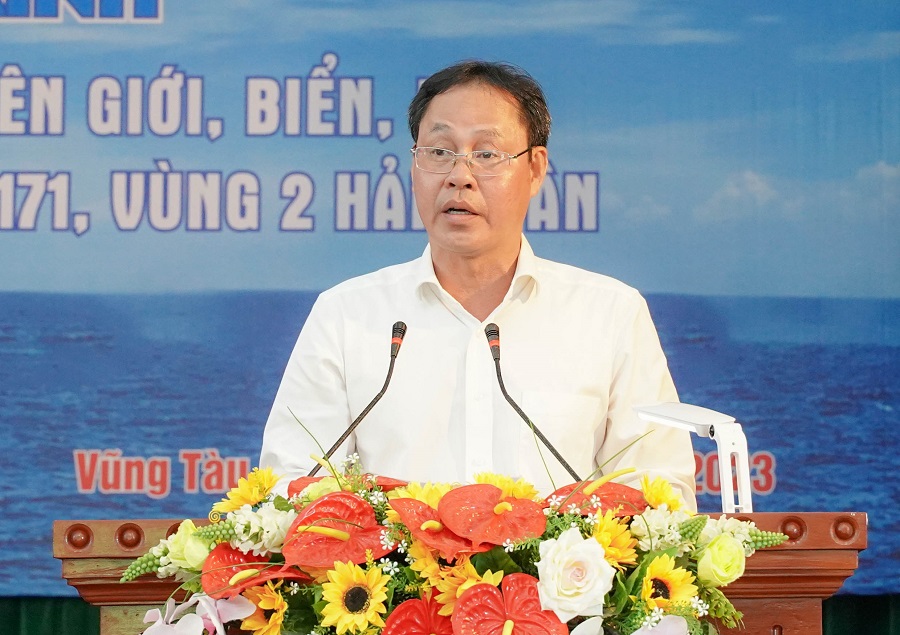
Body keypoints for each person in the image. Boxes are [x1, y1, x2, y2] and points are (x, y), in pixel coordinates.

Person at [260, 60, 696, 508]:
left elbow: (661, 492)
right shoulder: (345, 315)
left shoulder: (611, 315)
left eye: (486, 154)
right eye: (438, 151)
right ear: (413, 166)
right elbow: (290, 488)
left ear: (535, 169)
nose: (459, 175)